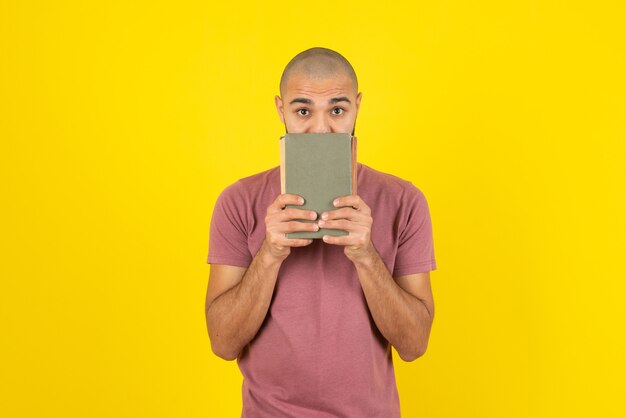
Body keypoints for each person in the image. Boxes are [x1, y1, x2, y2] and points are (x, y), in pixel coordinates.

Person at [205, 47, 437, 417]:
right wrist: (270, 254)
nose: (320, 128)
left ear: (357, 107)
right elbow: (222, 342)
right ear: (281, 110)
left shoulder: (405, 201)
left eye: (337, 110)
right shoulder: (238, 201)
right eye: (302, 111)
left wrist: (366, 255)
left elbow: (414, 344)